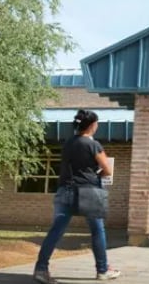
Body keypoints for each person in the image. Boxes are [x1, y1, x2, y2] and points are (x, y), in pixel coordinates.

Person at [33, 110, 121, 283]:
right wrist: (96, 175)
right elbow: (107, 169)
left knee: (56, 231)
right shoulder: (93, 144)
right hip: (89, 191)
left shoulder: (68, 143)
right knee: (97, 231)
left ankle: (41, 270)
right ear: (92, 125)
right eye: (96, 123)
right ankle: (102, 271)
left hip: (65, 189)